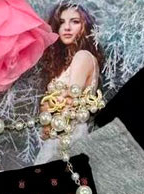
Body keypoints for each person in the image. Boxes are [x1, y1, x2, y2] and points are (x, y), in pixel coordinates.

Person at [35, 2, 104, 163]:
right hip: (62, 133)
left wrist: (47, 108)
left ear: (85, 26)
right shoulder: (67, 64)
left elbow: (69, 100)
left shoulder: (83, 56)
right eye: (61, 22)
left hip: (69, 134)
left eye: (75, 21)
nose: (66, 27)